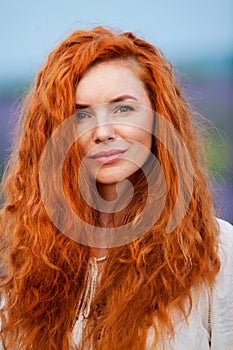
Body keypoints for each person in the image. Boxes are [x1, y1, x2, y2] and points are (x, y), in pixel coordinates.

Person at [0, 26, 232, 350]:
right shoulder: (23, 265)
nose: (103, 131)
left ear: (157, 115)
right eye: (81, 115)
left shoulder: (217, 252)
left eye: (123, 108)